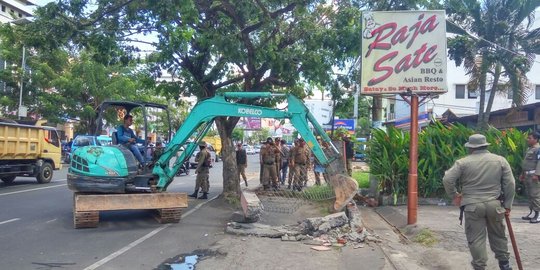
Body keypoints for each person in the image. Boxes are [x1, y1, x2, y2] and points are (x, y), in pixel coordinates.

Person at [443, 134, 515, 270]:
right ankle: (505, 265)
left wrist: (455, 195)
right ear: (486, 146)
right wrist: (508, 205)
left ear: (471, 148)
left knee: (476, 239)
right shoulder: (500, 160)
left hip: (472, 206)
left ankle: (480, 266)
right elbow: (510, 183)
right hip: (495, 204)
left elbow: (447, 179)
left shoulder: (462, 162)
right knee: (499, 236)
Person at [520, 131, 540, 223]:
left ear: (536, 139)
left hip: (534, 175)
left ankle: (538, 214)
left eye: (530, 138)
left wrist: (537, 174)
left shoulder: (538, 149)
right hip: (527, 175)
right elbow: (526, 163)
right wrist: (523, 174)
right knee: (530, 195)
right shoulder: (530, 149)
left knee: (535, 195)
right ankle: (532, 212)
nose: (527, 139)